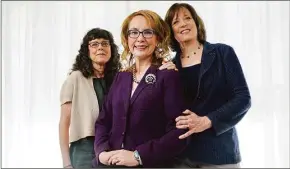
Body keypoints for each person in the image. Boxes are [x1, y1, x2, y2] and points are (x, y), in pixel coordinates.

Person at [93, 10, 188, 168]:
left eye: (148, 32)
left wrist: (139, 156)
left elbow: (179, 132)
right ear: (127, 38)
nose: (140, 38)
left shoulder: (168, 75)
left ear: (158, 38)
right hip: (110, 164)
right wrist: (101, 152)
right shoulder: (121, 77)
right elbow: (103, 121)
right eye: (134, 32)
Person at [164, 3, 252, 168]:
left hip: (219, 152)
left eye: (188, 18)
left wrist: (208, 120)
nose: (183, 24)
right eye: (176, 22)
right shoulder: (170, 66)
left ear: (196, 23)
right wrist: (165, 76)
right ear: (170, 31)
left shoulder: (223, 53)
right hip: (181, 156)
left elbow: (243, 99)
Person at [59, 28, 121, 168]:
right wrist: (66, 162)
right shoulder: (75, 78)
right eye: (94, 44)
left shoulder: (120, 79)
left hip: (114, 147)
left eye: (105, 44)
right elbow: (64, 123)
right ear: (87, 51)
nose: (100, 47)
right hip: (84, 149)